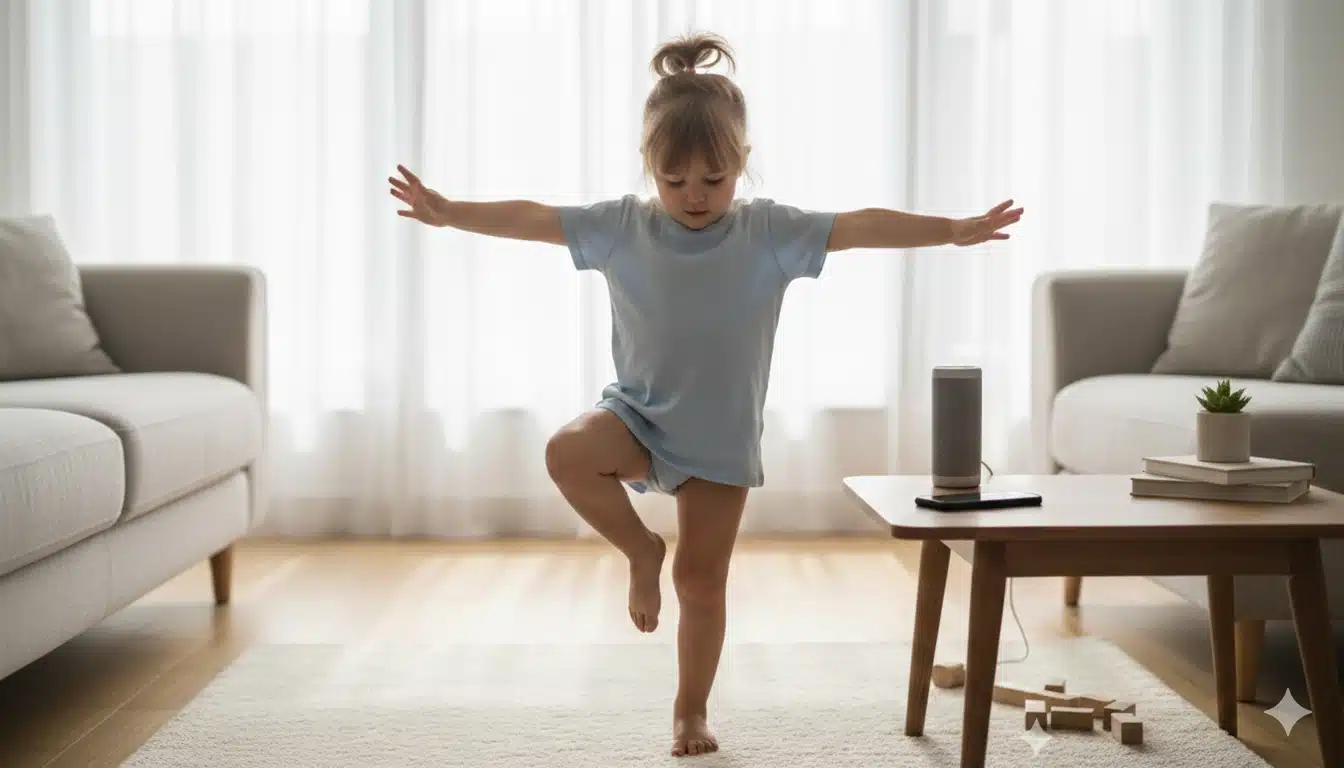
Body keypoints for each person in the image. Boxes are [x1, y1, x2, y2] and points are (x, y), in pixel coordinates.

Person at [389, 31, 1022, 758]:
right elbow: (530, 217)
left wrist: (950, 230)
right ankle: (637, 550)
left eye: (714, 180)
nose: (695, 196)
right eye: (676, 179)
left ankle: (689, 711)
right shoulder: (620, 227)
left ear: (741, 166)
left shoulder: (770, 233)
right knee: (567, 451)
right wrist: (448, 211)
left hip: (719, 441)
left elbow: (859, 226)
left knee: (701, 581)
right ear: (649, 168)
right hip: (636, 418)